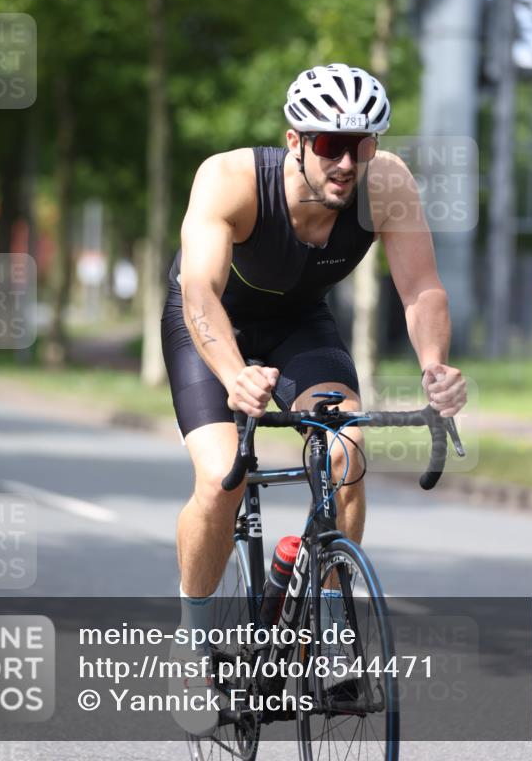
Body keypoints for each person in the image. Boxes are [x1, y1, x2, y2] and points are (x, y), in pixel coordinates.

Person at [161, 62, 467, 733]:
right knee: (221, 479)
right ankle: (192, 651)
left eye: (362, 144)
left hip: (301, 326)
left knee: (344, 452)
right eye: (329, 144)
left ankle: (318, 640)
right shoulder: (230, 179)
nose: (347, 161)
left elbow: (420, 286)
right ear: (294, 140)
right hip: (209, 326)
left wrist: (434, 366)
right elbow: (199, 295)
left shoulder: (385, 185)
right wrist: (234, 371)